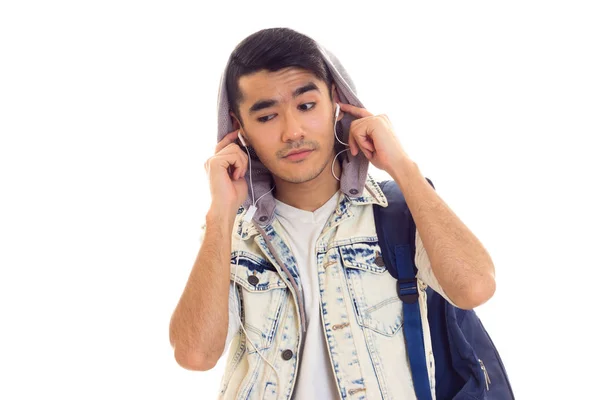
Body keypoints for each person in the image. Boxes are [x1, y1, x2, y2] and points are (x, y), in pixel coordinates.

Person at [169, 27, 496, 400]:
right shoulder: (232, 234)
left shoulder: (395, 213)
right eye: (267, 117)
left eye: (306, 106)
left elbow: (475, 288)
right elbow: (195, 355)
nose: (292, 132)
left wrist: (402, 167)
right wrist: (221, 213)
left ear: (336, 102)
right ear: (239, 128)